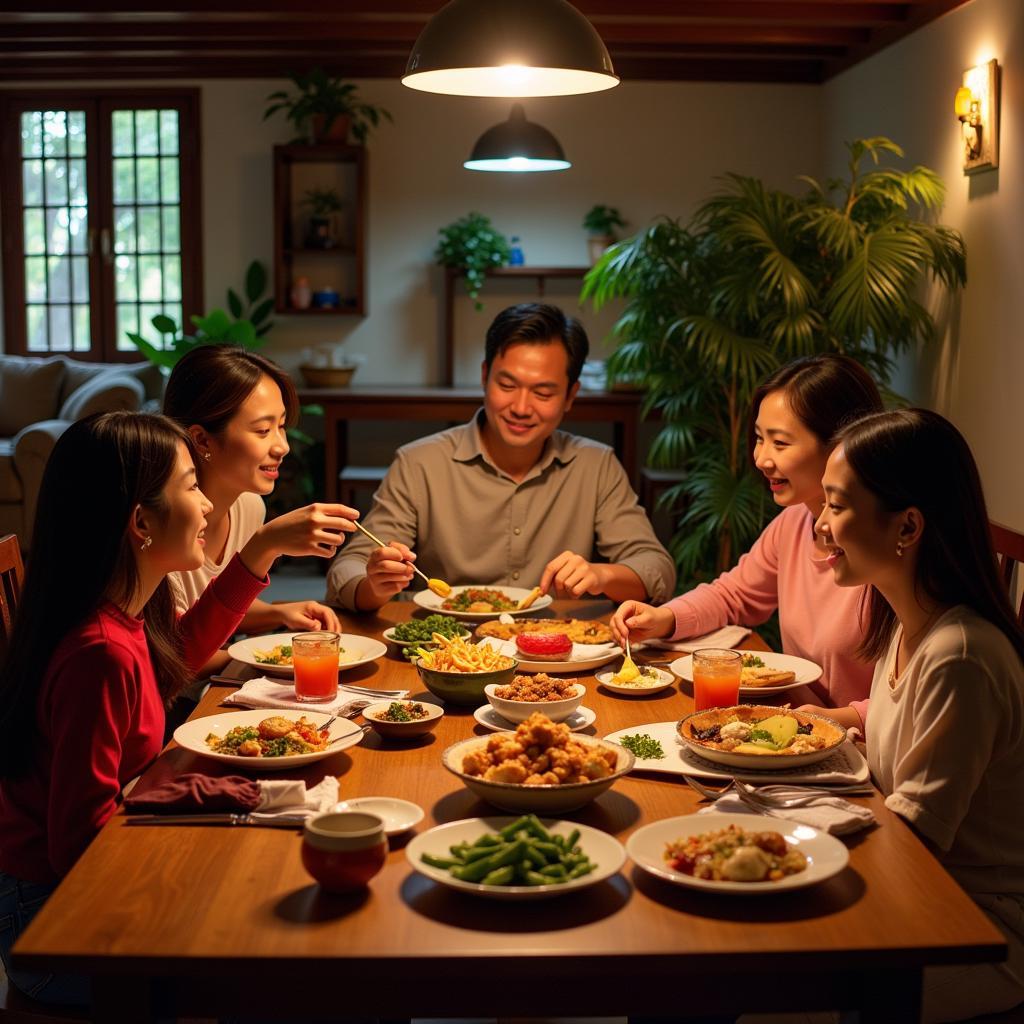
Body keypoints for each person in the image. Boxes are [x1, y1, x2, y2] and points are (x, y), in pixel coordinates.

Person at [0, 411, 354, 1004]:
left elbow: (179, 657)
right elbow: (78, 848)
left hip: (88, 880)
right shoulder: (99, 654)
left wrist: (260, 552)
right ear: (141, 522)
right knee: (299, 972)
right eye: (191, 486)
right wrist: (199, 806)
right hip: (53, 922)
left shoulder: (131, 607)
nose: (210, 506)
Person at [812, 408, 1024, 1022]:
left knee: (737, 979)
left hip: (974, 924)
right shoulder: (908, 629)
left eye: (837, 506)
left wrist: (786, 839)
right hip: (916, 892)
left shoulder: (960, 655)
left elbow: (916, 838)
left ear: (907, 526)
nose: (821, 527)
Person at [326, 303, 676, 611]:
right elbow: (347, 571)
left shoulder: (595, 466)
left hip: (558, 650)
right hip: (447, 652)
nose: (521, 408)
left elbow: (656, 569)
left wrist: (600, 575)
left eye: (543, 392)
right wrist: (374, 584)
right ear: (484, 376)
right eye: (507, 386)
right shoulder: (419, 463)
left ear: (571, 396)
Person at [610, 354, 883, 712]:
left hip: (859, 751)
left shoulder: (885, 548)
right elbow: (733, 594)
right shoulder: (794, 523)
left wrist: (846, 719)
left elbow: (906, 695)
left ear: (841, 446)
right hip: (798, 723)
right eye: (759, 439)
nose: (761, 458)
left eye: (780, 443)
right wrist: (665, 619)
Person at [164, 344, 351, 634]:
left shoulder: (248, 506)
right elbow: (174, 654)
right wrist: (265, 544)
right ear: (202, 440)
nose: (283, 446)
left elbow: (213, 606)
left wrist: (278, 612)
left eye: (282, 426)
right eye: (263, 431)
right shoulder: (159, 527)